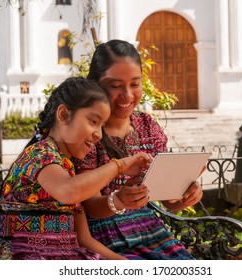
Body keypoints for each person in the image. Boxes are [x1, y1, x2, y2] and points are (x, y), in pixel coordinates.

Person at [0, 76, 152, 260]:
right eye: (93, 121)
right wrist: (119, 165)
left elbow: (83, 239)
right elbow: (69, 190)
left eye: (102, 126)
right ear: (64, 115)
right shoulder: (39, 154)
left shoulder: (67, 168)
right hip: (25, 254)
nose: (99, 135)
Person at [73, 40, 203, 260]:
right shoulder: (88, 133)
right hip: (103, 238)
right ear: (95, 85)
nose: (127, 95)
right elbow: (89, 204)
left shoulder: (147, 126)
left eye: (135, 84)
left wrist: (186, 196)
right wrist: (119, 201)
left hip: (152, 232)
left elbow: (168, 200)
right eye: (115, 86)